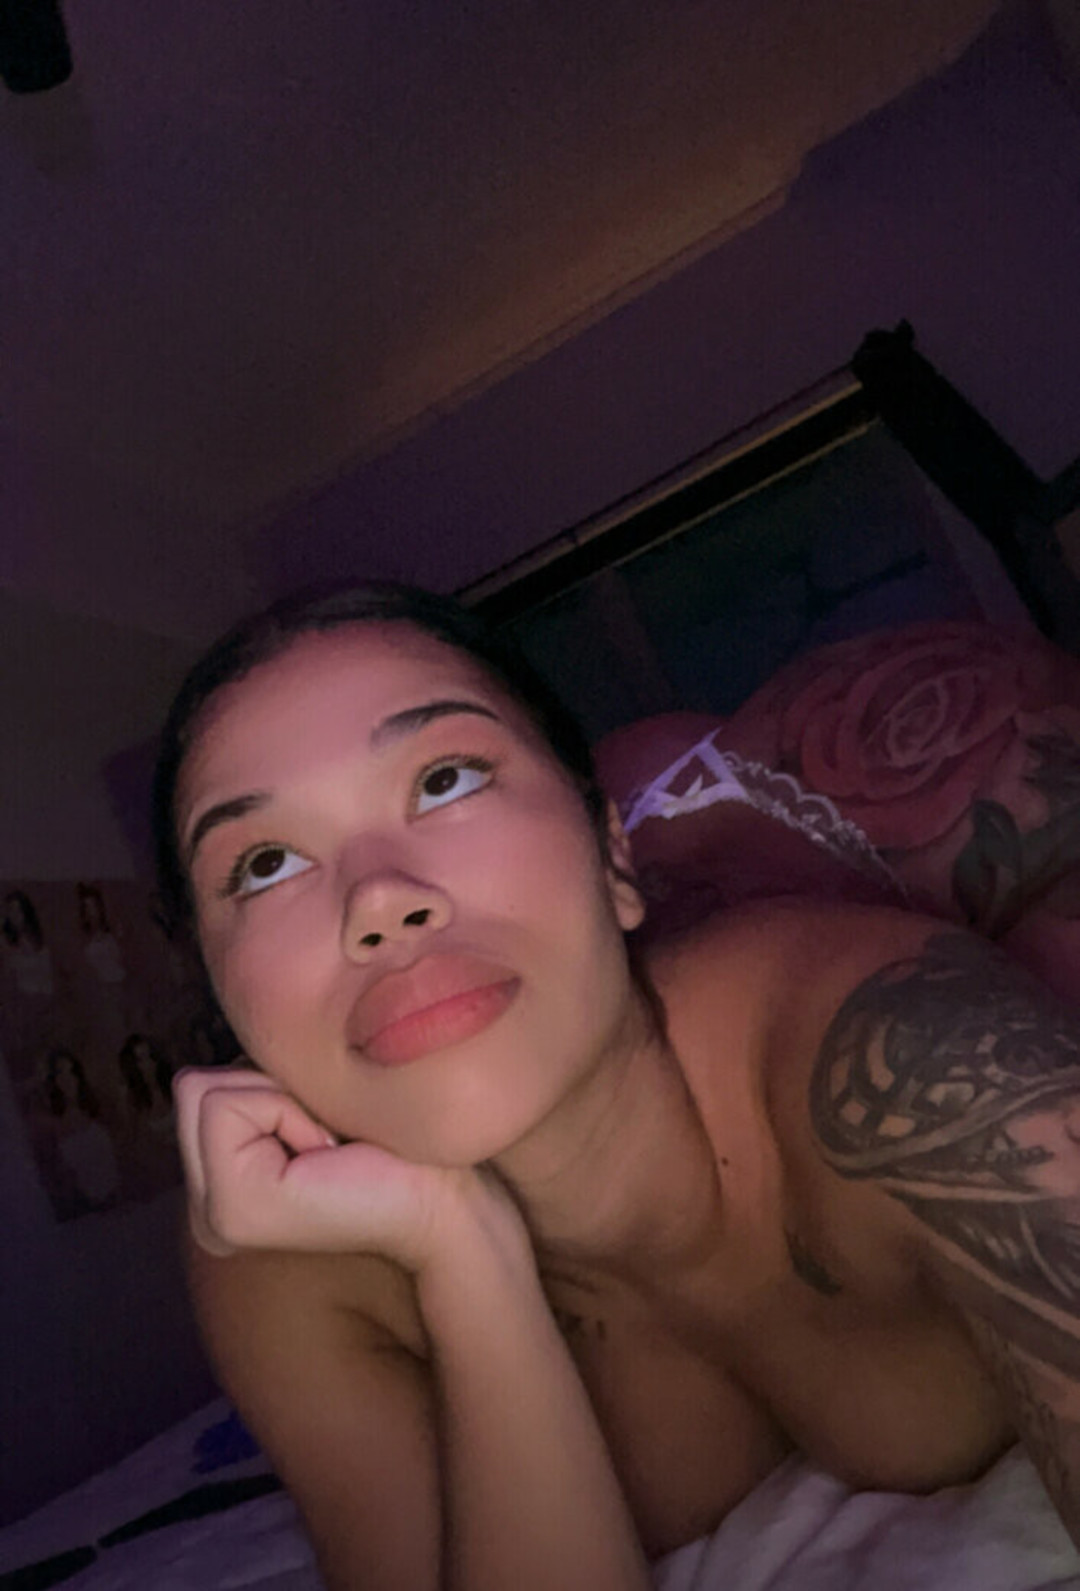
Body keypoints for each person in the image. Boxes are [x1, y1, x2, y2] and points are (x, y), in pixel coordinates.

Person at [160, 582, 1080, 1591]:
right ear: (226, 1001)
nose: (377, 899)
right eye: (264, 863)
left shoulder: (918, 1063)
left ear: (610, 855)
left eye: (445, 778)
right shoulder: (280, 1257)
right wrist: (461, 1247)